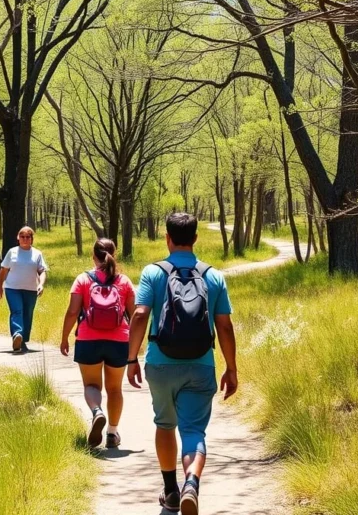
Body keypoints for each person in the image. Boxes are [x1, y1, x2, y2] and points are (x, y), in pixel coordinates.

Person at [127, 213, 238, 515]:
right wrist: (231, 367)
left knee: (165, 425)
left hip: (160, 363)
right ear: (196, 238)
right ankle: (192, 483)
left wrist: (131, 358)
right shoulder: (213, 276)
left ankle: (171, 491)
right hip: (201, 365)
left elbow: (139, 315)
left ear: (167, 237)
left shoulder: (153, 273)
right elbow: (224, 327)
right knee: (193, 432)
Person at [60, 238, 135, 449]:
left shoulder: (83, 280)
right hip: (119, 340)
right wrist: (136, 345)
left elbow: (73, 311)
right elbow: (135, 314)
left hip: (88, 340)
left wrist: (65, 337)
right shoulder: (124, 281)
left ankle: (96, 411)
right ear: (115, 254)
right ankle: (112, 433)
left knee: (91, 385)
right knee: (115, 389)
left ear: (93, 256)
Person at [0, 226, 48, 353]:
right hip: (12, 288)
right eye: (22, 236)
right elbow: (3, 270)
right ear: (18, 238)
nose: (25, 239)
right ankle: (17, 334)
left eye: (28, 237)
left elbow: (42, 271)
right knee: (17, 311)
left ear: (31, 239)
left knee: (27, 314)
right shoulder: (12, 252)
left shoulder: (37, 254)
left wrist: (41, 284)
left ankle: (22, 341)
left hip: (31, 289)